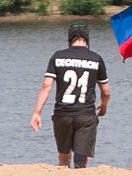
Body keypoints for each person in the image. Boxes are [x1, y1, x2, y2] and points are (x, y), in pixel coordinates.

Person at [31, 23, 111, 168]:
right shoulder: (96, 59)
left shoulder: (58, 57)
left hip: (62, 114)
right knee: (80, 162)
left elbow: (46, 86)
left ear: (70, 39)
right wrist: (104, 106)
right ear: (87, 39)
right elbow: (105, 91)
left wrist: (37, 112)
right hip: (85, 115)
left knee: (63, 158)